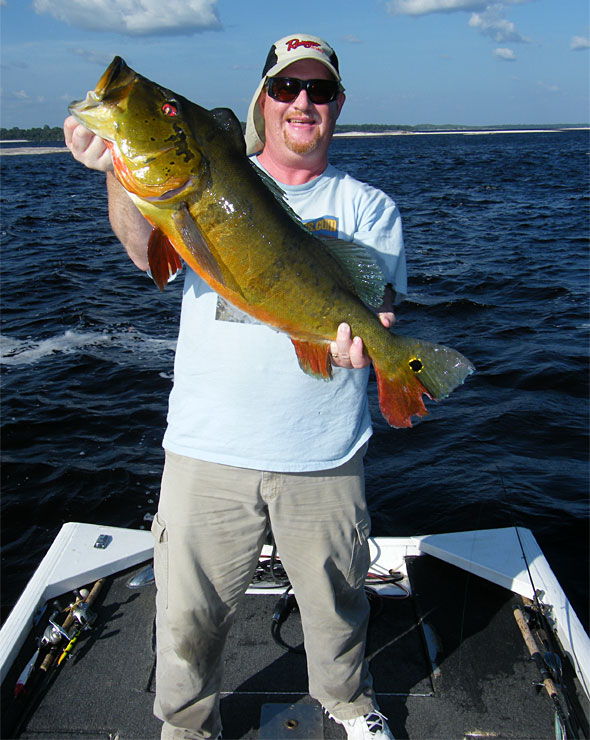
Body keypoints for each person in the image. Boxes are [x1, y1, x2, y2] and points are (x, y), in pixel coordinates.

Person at [64, 33, 405, 740]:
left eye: (317, 91)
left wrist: (366, 346)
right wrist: (117, 171)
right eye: (285, 88)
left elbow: (373, 307)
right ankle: (185, 727)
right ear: (263, 100)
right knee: (186, 614)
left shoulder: (371, 207)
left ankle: (347, 704)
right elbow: (146, 253)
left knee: (340, 606)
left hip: (324, 456)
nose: (301, 102)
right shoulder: (205, 175)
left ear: (338, 106)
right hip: (206, 452)